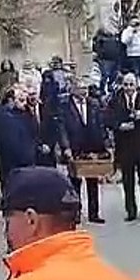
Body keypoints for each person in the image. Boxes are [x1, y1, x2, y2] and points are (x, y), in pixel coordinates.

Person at [106, 74, 140, 221]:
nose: (128, 88)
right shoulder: (115, 100)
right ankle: (131, 211)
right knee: (128, 181)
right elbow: (108, 119)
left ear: (136, 85)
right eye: (126, 85)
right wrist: (119, 126)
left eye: (131, 85)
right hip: (125, 146)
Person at [57, 77, 108, 223]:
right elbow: (62, 128)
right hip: (75, 147)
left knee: (93, 181)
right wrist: (65, 147)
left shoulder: (94, 104)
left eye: (85, 88)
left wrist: (104, 146)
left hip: (91, 147)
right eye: (80, 88)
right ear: (72, 89)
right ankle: (76, 213)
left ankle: (94, 213)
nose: (84, 91)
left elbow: (100, 125)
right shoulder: (65, 106)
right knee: (75, 182)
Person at [0, 86, 37, 192]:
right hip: (12, 165)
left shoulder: (24, 113)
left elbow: (34, 134)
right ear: (10, 100)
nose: (24, 103)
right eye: (21, 100)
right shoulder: (3, 115)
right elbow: (10, 143)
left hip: (27, 163)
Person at [93, 28, 125, 95]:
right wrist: (101, 55)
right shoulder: (100, 39)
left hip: (115, 58)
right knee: (105, 75)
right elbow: (96, 49)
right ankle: (102, 89)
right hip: (105, 59)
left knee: (114, 74)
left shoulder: (116, 38)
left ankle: (110, 87)